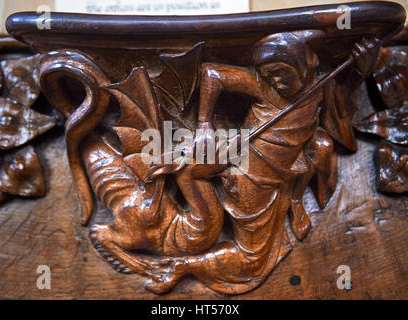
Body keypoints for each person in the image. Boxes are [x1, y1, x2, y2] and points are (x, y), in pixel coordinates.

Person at [143, 30, 380, 294]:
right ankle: (184, 258)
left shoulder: (319, 83)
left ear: (304, 65)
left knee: (321, 147)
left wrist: (360, 71)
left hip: (286, 170)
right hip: (249, 172)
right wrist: (204, 124)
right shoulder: (264, 86)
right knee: (253, 261)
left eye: (281, 72)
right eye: (268, 74)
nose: (275, 81)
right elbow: (211, 73)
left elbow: (341, 102)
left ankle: (295, 200)